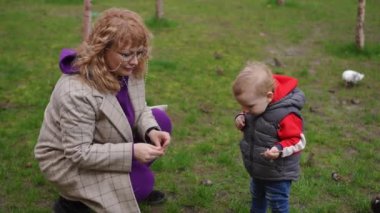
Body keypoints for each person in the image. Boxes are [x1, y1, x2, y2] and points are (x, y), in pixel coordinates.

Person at [34, 8, 172, 212]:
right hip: (68, 160)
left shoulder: (128, 67)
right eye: (126, 54)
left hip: (101, 140)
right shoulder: (77, 91)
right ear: (102, 49)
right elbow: (78, 153)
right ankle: (72, 203)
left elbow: (141, 109)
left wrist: (151, 130)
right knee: (143, 183)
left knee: (161, 121)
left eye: (139, 52)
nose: (134, 61)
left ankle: (125, 182)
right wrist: (133, 152)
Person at [232, 62, 306, 213]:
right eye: (242, 106)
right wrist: (240, 118)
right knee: (257, 197)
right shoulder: (257, 104)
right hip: (258, 169)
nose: (245, 110)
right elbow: (253, 120)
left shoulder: (286, 114)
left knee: (278, 205)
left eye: (249, 107)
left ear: (269, 96)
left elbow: (298, 141)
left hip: (278, 173)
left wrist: (279, 149)